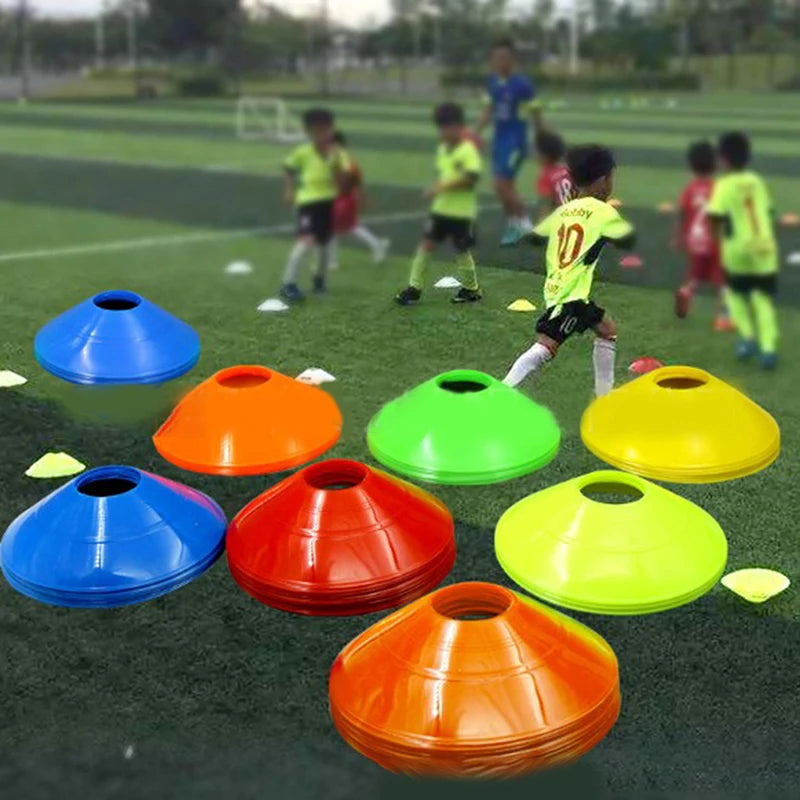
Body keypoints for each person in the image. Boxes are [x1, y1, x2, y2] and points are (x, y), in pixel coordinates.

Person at [502, 145, 636, 396]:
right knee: (546, 347)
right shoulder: (604, 212)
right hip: (570, 296)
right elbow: (627, 241)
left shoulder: (563, 211)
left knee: (607, 330)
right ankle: (498, 393)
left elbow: (536, 237)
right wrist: (606, 231)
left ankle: (604, 397)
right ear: (603, 181)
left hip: (561, 290)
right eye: (611, 178)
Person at [394, 103, 483, 306]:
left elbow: (471, 179)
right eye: (441, 128)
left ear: (459, 127)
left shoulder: (467, 150)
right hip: (441, 209)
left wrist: (442, 187)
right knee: (426, 245)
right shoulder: (443, 149)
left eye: (448, 128)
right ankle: (414, 288)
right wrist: (439, 189)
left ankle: (472, 289)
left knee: (461, 251)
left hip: (461, 212)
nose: (444, 133)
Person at [706, 131, 780, 369]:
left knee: (736, 295)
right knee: (763, 299)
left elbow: (715, 217)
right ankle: (768, 349)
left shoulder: (724, 185)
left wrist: (715, 241)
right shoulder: (756, 182)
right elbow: (767, 211)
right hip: (764, 247)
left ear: (723, 159)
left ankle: (747, 339)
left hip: (737, 249)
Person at [475, 37, 543, 245]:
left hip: (515, 143)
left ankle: (527, 226)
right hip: (499, 143)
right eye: (496, 58)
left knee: (501, 185)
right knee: (505, 187)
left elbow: (536, 115)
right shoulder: (493, 83)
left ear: (512, 59)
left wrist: (540, 142)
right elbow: (488, 111)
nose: (499, 61)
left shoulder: (522, 85)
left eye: (504, 57)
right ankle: (514, 225)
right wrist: (474, 133)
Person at [278, 108, 350, 302]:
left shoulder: (338, 153)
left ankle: (319, 280)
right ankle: (288, 283)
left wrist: (337, 164)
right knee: (306, 240)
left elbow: (344, 180)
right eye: (317, 131)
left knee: (324, 243)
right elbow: (288, 169)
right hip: (309, 203)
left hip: (329, 202)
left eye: (326, 130)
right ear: (308, 132)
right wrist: (289, 190)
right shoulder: (303, 152)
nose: (323, 135)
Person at [674, 140, 732, 330]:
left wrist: (679, 236)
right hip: (714, 241)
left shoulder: (690, 189)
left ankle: (686, 291)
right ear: (715, 164)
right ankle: (724, 317)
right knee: (721, 279)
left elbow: (682, 213)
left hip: (695, 240)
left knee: (696, 275)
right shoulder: (717, 188)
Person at [329, 131, 391, 269]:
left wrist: (363, 198)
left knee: (346, 227)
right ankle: (377, 244)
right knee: (341, 228)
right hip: (338, 198)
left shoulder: (346, 162)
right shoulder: (335, 159)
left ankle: (333, 261)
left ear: (339, 145)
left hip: (345, 200)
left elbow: (356, 180)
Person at [535, 130, 574, 219]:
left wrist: (541, 225)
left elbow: (546, 205)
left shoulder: (546, 176)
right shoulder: (570, 169)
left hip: (563, 220)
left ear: (545, 156)